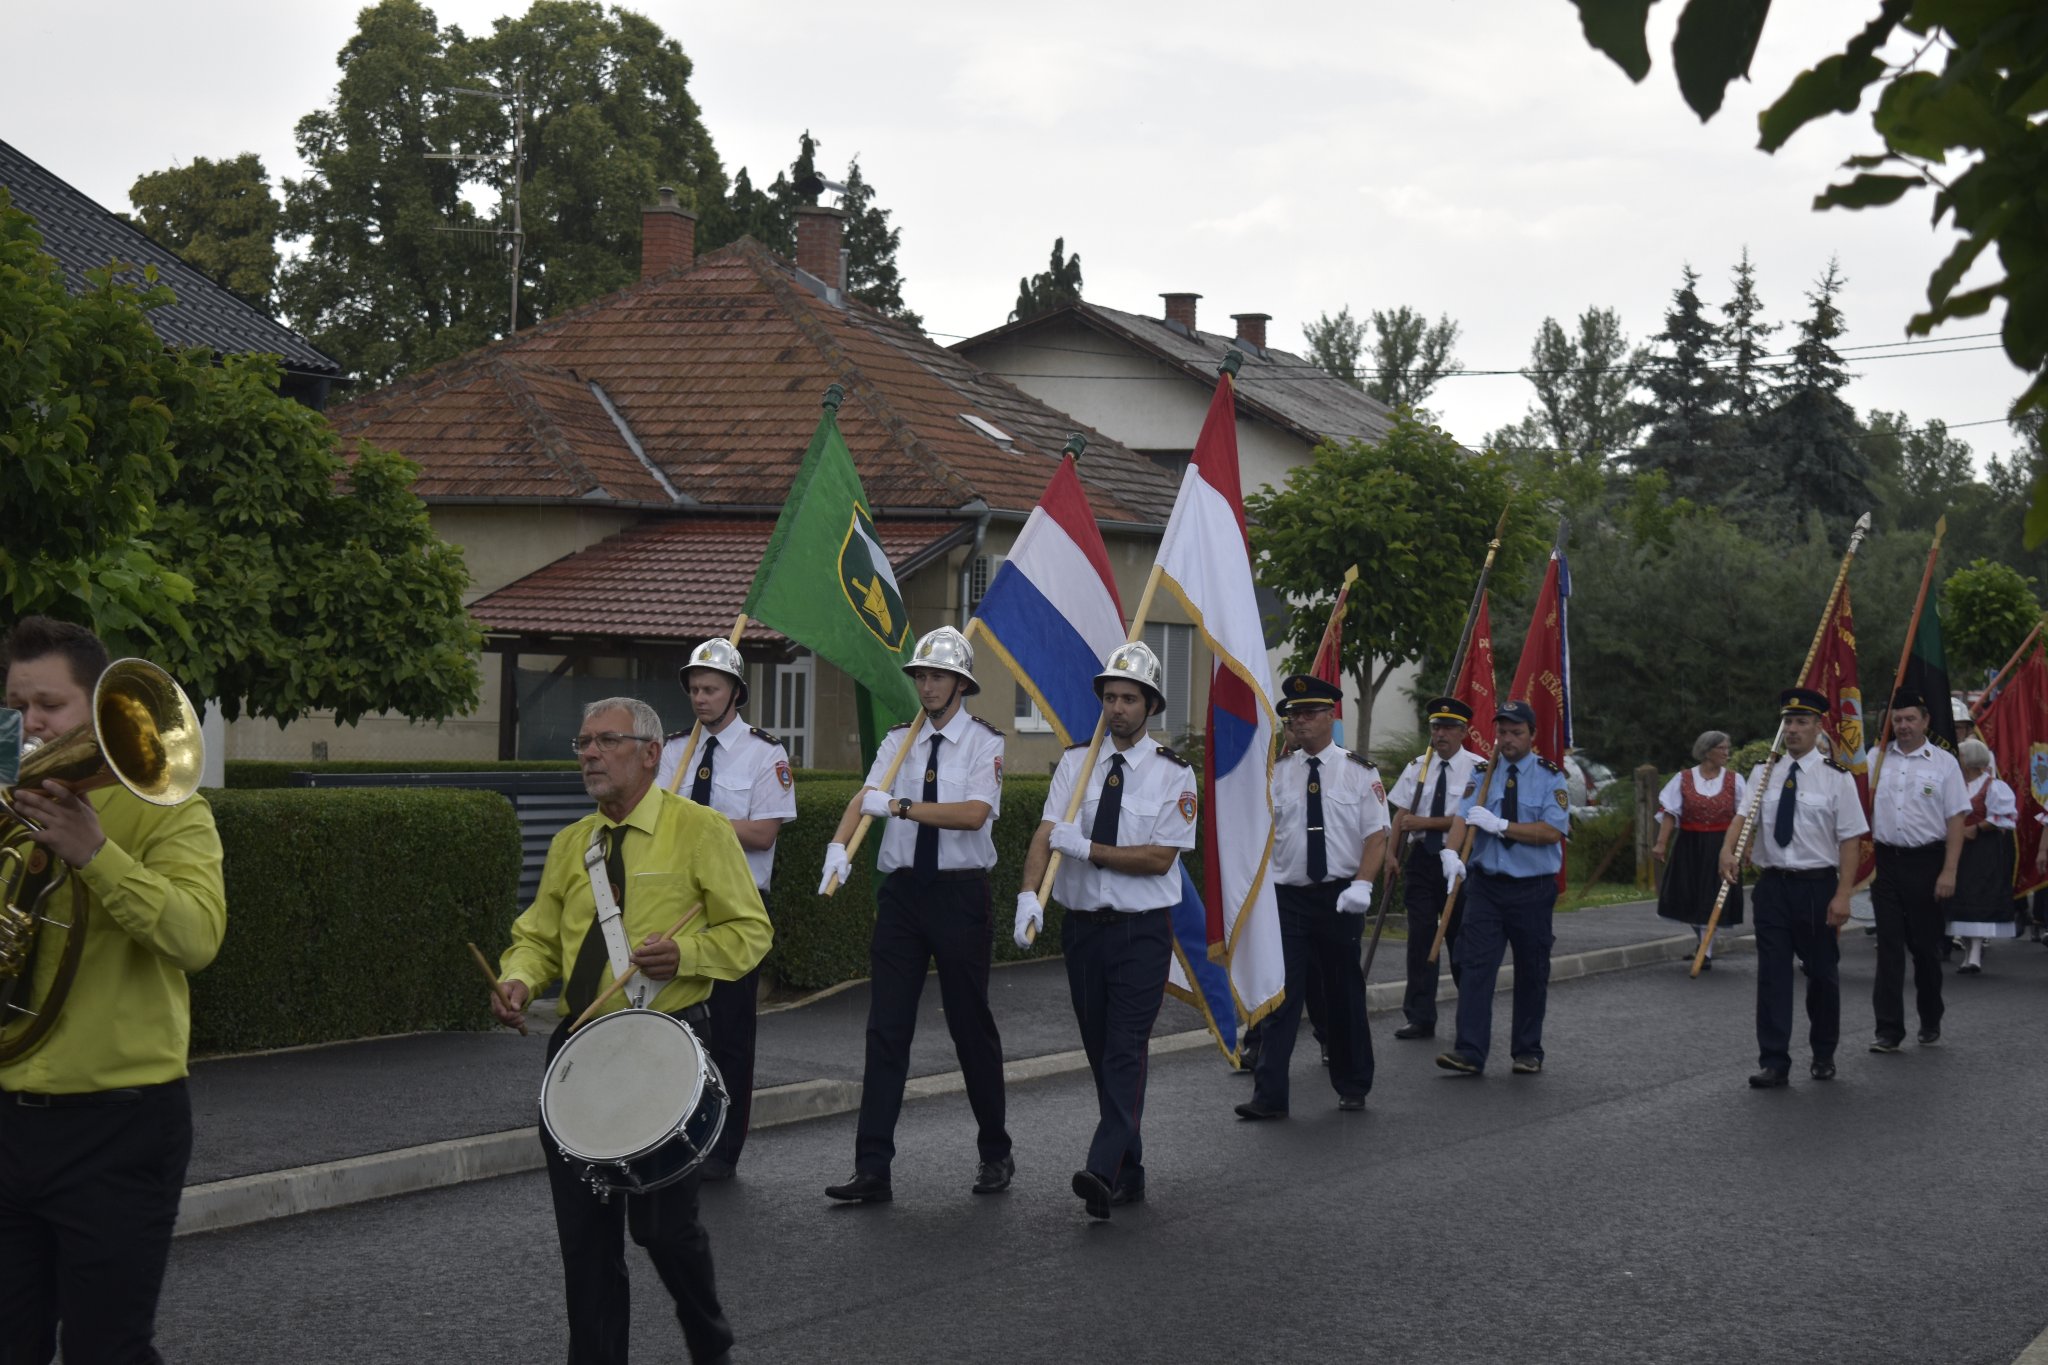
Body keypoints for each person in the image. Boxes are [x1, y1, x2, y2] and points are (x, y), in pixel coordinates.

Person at [493, 696, 771, 1365]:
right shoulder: (571, 844)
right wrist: (520, 978)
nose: (588, 752)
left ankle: (709, 1337)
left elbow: (751, 931)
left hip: (667, 1043)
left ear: (649, 752)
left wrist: (689, 955)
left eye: (605, 740)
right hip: (581, 1054)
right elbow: (536, 937)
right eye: (582, 742)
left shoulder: (700, 830)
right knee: (586, 1244)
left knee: (663, 1230)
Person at [0, 617, 226, 1365]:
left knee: (107, 1349)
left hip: (118, 1125)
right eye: (16, 703)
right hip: (7, 1118)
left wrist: (95, 853)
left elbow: (197, 935)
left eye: (50, 705)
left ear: (100, 707)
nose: (30, 722)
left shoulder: (169, 805)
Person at [819, 626, 1011, 1204]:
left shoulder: (984, 743)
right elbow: (865, 796)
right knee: (886, 1029)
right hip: (903, 894)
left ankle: (994, 1151)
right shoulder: (901, 739)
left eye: (937, 676)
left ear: (961, 684)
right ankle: (872, 1166)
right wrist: (839, 843)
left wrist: (900, 806)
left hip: (958, 894)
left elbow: (975, 814)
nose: (926, 686)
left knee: (968, 1024)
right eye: (921, 676)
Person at [1015, 641, 1197, 1219]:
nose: (1116, 708)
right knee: (1100, 1050)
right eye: (1110, 698)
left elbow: (1160, 858)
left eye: (1128, 698)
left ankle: (1101, 1169)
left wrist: (1090, 849)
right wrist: (1027, 894)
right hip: (1084, 930)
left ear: (1150, 706)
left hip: (1140, 933)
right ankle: (1131, 1171)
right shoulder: (1077, 762)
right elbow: (1047, 832)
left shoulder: (1174, 774)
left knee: (1124, 1051)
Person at [653, 638, 797, 1181]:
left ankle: (724, 1148)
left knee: (733, 1032)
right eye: (693, 688)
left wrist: (696, 822)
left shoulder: (765, 754)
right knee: (679, 1028)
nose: (700, 698)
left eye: (710, 688)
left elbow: (762, 833)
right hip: (678, 904)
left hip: (736, 904)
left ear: (736, 692)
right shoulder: (672, 752)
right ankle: (675, 1137)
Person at [1234, 675, 1388, 1120]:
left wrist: (1363, 884)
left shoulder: (1359, 773)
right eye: (1292, 715)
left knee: (1343, 994)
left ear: (1329, 716)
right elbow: (1259, 838)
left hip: (1341, 897)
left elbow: (1377, 835)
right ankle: (1269, 1097)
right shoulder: (1277, 774)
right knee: (1281, 997)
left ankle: (1353, 1082)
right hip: (1289, 900)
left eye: (1307, 713)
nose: (1298, 722)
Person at [1722, 688, 1866, 1087]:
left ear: (1819, 726)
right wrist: (1727, 849)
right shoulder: (1764, 772)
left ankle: (1823, 1052)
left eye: (1802, 722)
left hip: (1817, 887)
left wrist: (1843, 895)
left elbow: (1850, 839)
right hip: (1773, 888)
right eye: (1788, 722)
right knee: (1772, 975)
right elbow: (1742, 817)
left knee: (1821, 975)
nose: (1793, 729)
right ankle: (1774, 1060)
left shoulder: (1837, 778)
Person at [1435, 700, 1570, 1077]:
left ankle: (1527, 1050)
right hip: (1487, 887)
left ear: (1532, 735)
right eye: (1503, 732)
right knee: (1474, 966)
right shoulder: (1484, 772)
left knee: (1531, 969)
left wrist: (1501, 825)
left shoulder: (1550, 777)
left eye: (1516, 733)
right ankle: (1469, 1050)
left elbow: (1551, 832)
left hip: (1532, 889)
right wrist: (1450, 854)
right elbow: (1464, 817)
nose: (1507, 740)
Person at [1866, 689, 1968, 1052]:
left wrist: (1949, 871)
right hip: (1886, 864)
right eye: (1897, 720)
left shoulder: (1944, 763)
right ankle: (1889, 1030)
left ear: (1925, 721)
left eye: (1910, 719)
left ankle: (1930, 1016)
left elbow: (1956, 819)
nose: (1903, 726)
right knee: (1889, 948)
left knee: (1925, 949)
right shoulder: (1876, 758)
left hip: (1927, 863)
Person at [1384, 697, 1487, 1039]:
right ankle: (1419, 1014)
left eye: (1447, 728)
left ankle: (1470, 1015)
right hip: (1422, 862)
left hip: (1457, 862)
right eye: (1435, 728)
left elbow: (1468, 819)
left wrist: (1424, 821)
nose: (1440, 734)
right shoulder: (1418, 766)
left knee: (1460, 940)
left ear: (1463, 732)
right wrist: (1392, 854)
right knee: (1420, 938)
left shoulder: (1478, 769)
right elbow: (1401, 814)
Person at [1651, 730, 1747, 967]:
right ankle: (1703, 944)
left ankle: (1706, 951)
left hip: (1721, 846)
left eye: (1727, 748)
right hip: (1690, 845)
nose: (1727, 753)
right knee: (1691, 896)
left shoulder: (1735, 780)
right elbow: (1670, 814)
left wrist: (1746, 849)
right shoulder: (1683, 778)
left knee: (1712, 897)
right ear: (1707, 751)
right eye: (1722, 748)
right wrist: (1661, 844)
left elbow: (1744, 817)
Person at [1946, 738, 2019, 974]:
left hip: (1982, 851)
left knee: (1978, 897)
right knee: (1960, 898)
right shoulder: (1954, 785)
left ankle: (1975, 954)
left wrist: (1977, 828)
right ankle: (1968, 951)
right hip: (1957, 850)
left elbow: (2005, 817)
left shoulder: (1994, 786)